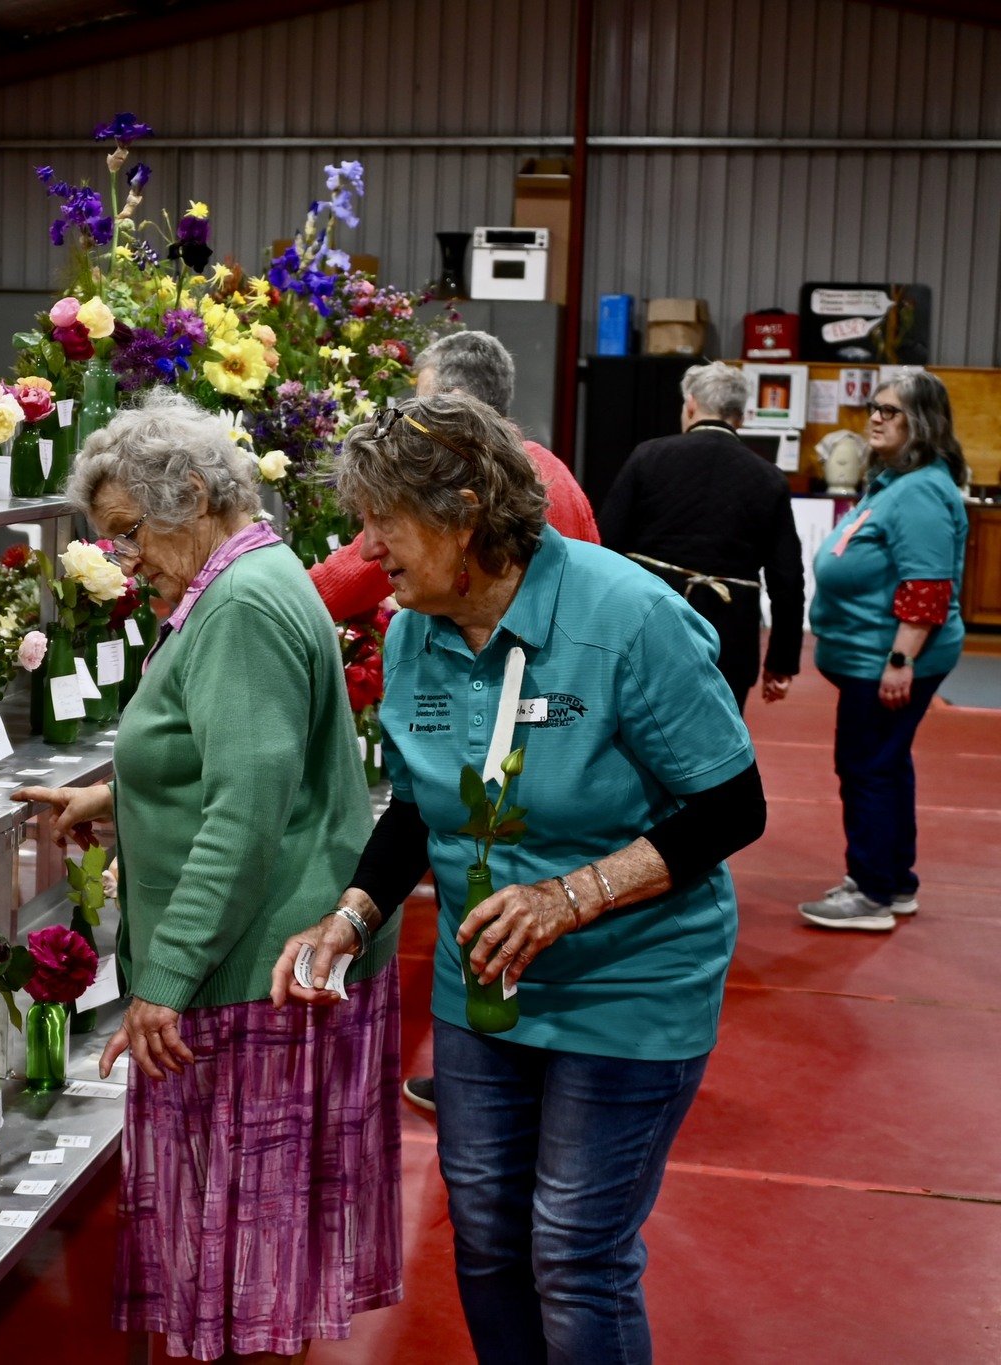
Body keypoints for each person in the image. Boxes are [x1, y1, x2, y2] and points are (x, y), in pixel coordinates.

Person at [273, 392, 766, 1365]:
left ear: (461, 512)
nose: (365, 549)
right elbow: (420, 805)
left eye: (382, 520)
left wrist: (569, 896)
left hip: (626, 984)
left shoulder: (626, 619)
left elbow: (728, 808)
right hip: (483, 992)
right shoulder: (415, 626)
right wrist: (350, 914)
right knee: (489, 1239)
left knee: (573, 1253)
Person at [14, 391, 398, 1363]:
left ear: (191, 492)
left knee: (242, 1261)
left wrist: (163, 980)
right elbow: (232, 757)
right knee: (252, 1256)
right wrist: (114, 804)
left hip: (251, 970)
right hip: (267, 953)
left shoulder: (240, 609)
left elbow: (245, 812)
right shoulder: (249, 579)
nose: (125, 559)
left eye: (129, 533)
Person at [313, 329, 598, 1118]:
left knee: (496, 878)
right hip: (553, 730)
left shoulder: (443, 499)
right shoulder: (559, 472)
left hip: (506, 721)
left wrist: (262, 610)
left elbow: (343, 581)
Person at [797, 371, 969, 931]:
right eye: (874, 407)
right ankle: (894, 881)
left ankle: (870, 892)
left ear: (921, 423)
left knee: (867, 768)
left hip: (887, 661)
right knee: (886, 766)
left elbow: (928, 587)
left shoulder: (920, 491)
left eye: (891, 412)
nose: (875, 417)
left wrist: (900, 660)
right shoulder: (897, 481)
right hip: (871, 658)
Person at [311, 330, 598, 624]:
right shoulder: (556, 471)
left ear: (456, 404)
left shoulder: (446, 480)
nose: (408, 423)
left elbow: (325, 594)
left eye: (421, 407)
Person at [599, 362, 805, 710]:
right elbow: (787, 581)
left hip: (650, 624)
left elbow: (604, 548)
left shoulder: (647, 457)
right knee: (718, 747)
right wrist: (781, 661)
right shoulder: (769, 479)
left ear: (690, 404)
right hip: (731, 638)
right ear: (740, 416)